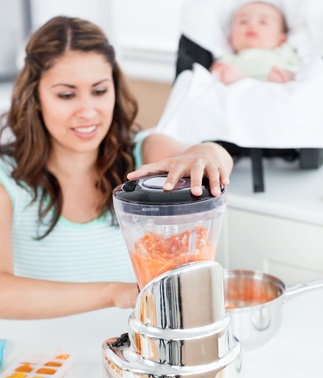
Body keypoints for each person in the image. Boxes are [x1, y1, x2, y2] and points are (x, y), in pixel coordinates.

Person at [0, 16, 233, 320]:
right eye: (66, 95)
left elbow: (212, 157)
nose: (87, 111)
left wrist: (205, 153)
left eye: (99, 91)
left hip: (134, 352)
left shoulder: (143, 155)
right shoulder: (7, 178)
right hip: (42, 361)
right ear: (36, 97)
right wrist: (116, 293)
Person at [210, 1, 300, 84]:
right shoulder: (228, 59)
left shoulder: (284, 52)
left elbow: (299, 71)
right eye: (243, 22)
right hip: (240, 89)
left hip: (274, 85)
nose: (251, 25)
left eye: (263, 22)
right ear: (231, 38)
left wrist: (287, 75)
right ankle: (241, 82)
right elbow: (212, 76)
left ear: (281, 39)